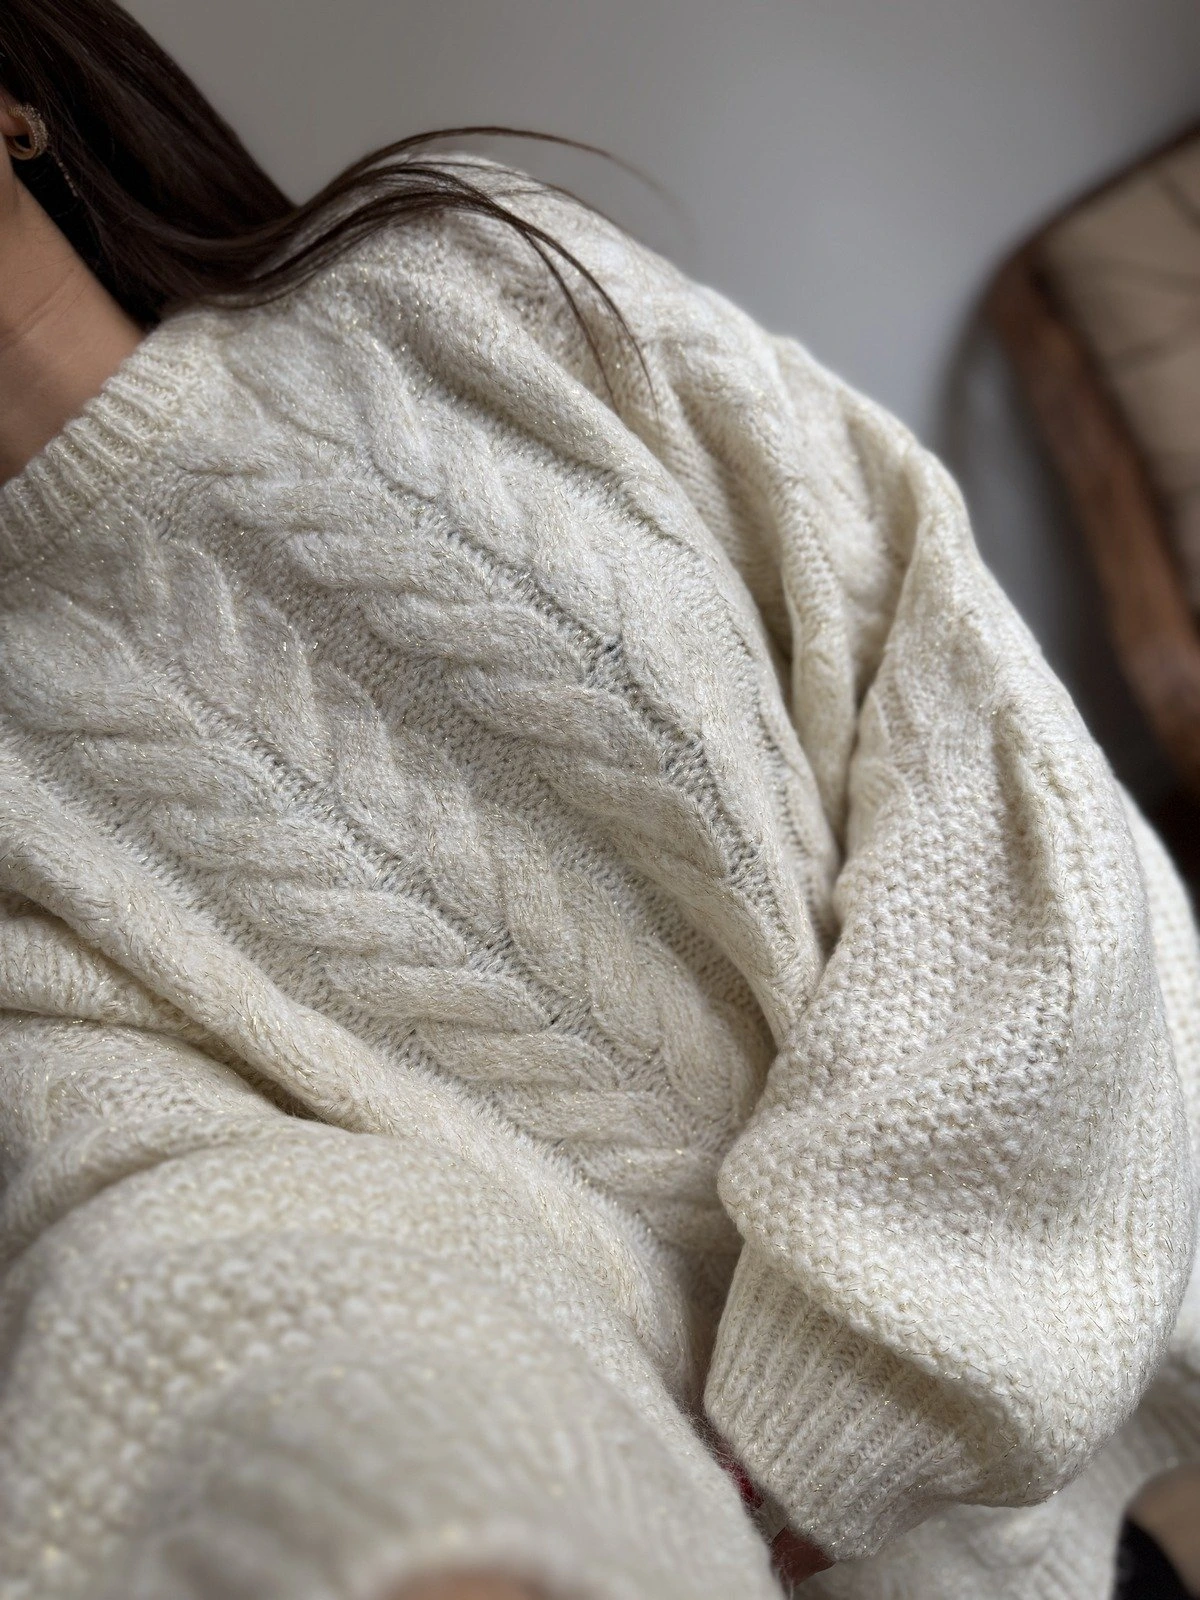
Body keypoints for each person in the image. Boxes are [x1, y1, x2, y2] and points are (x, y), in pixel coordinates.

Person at [1, 5, 1199, 1599]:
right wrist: (393, 1530)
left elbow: (984, 751)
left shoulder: (459, 281)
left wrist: (835, 1413)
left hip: (1039, 1410)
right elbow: (176, 1222)